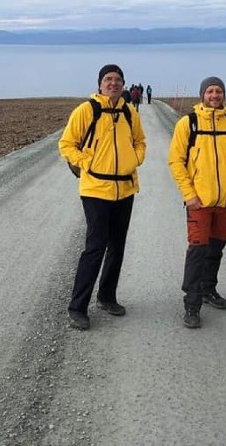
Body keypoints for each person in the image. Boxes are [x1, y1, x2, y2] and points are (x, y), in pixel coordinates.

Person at [59, 64, 147, 330]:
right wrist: (87, 161)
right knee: (95, 247)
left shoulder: (129, 112)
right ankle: (77, 308)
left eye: (118, 80)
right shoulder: (87, 111)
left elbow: (140, 141)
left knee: (117, 246)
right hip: (96, 189)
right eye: (108, 79)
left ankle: (107, 297)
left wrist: (135, 159)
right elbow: (66, 144)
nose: (113, 83)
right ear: (99, 84)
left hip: (125, 189)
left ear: (123, 85)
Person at [168, 76, 226, 329]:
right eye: (210, 91)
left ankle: (208, 289)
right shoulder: (188, 124)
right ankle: (192, 304)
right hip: (199, 204)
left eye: (219, 91)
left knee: (216, 249)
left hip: (225, 204)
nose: (215, 95)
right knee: (197, 252)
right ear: (202, 94)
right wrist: (189, 194)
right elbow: (176, 162)